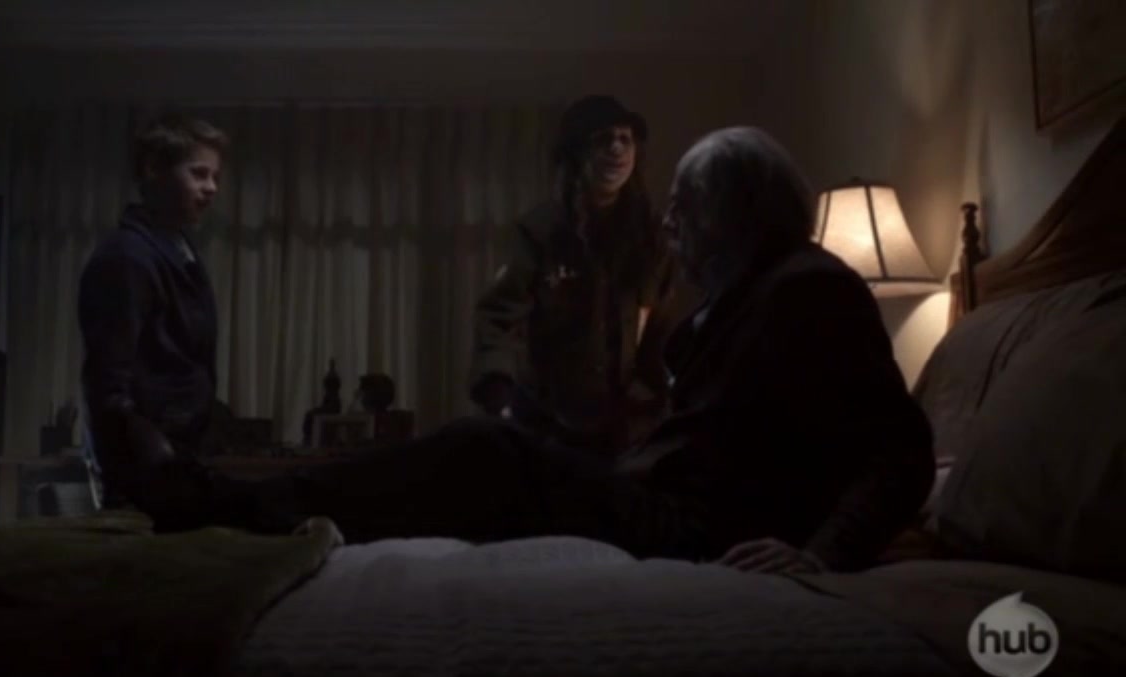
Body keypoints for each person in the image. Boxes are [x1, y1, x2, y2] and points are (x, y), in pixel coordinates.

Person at [131, 126, 936, 573]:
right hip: (658, 497)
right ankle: (253, 511)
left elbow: (902, 449)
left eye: (684, 208)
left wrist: (821, 557)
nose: (670, 227)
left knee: (483, 454)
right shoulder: (746, 293)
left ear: (736, 210)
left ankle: (234, 506)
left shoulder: (810, 287)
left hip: (692, 530)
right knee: (479, 461)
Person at [468, 95, 689, 455]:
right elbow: (499, 318)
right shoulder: (539, 233)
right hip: (549, 428)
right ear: (576, 154)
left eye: (626, 139)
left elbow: (660, 330)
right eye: (603, 139)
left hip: (626, 431)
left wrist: (665, 397)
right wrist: (499, 394)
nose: (617, 149)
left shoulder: (650, 237)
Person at [77, 113, 227, 513]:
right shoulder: (127, 257)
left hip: (180, 461)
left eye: (215, 177)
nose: (211, 187)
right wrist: (150, 457)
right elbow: (109, 383)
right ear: (153, 169)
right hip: (148, 476)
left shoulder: (179, 248)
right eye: (198, 174)